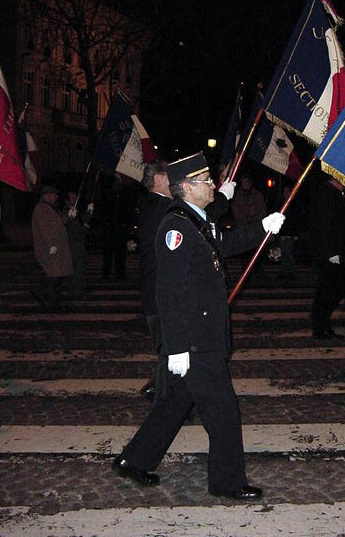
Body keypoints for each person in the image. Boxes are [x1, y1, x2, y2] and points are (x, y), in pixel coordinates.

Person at [113, 152, 285, 500]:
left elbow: (224, 245)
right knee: (223, 410)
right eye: (206, 181)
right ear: (188, 187)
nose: (212, 185)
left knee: (176, 403)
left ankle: (134, 460)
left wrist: (262, 228)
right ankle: (227, 481)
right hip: (194, 340)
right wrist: (176, 348)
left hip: (201, 334)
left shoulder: (196, 220)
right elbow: (169, 293)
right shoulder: (175, 227)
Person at [138, 160, 237, 402]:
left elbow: (200, 220)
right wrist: (222, 199)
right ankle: (163, 398)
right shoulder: (165, 209)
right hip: (166, 298)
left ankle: (169, 398)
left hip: (162, 295)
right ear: (160, 180)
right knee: (171, 352)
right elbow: (195, 221)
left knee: (172, 357)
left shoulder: (159, 206)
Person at [309, 173, 345, 340]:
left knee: (334, 287)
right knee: (328, 290)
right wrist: (331, 252)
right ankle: (320, 326)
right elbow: (324, 224)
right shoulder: (327, 194)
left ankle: (322, 324)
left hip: (332, 251)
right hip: (328, 253)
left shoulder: (333, 194)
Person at [31, 185, 73, 310]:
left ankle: (47, 296)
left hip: (55, 247)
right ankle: (50, 300)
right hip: (49, 248)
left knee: (56, 274)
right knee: (54, 274)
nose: (56, 197)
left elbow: (57, 223)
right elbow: (45, 229)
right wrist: (51, 245)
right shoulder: (41, 209)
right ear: (47, 196)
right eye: (54, 195)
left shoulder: (49, 208)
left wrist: (69, 216)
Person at [61, 191, 93, 297]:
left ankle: (73, 289)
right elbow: (76, 230)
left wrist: (89, 212)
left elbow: (80, 221)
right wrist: (85, 228)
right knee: (76, 270)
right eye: (72, 197)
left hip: (76, 246)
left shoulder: (74, 211)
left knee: (77, 269)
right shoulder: (66, 212)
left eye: (75, 197)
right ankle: (74, 290)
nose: (75, 198)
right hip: (73, 246)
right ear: (67, 200)